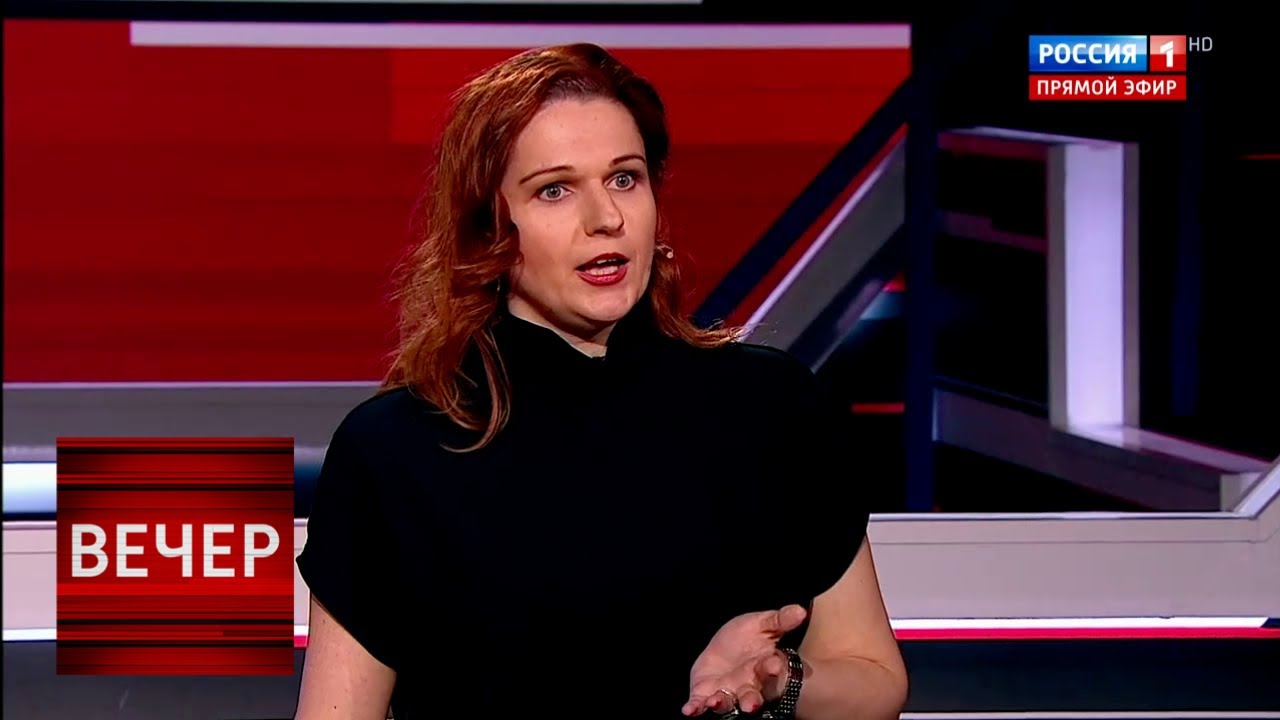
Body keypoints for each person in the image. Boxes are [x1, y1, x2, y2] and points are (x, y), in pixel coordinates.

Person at [293, 42, 908, 720]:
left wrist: (779, 680)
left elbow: (875, 680)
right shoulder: (395, 452)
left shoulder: (773, 407)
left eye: (624, 178)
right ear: (489, 225)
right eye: (554, 189)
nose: (605, 218)